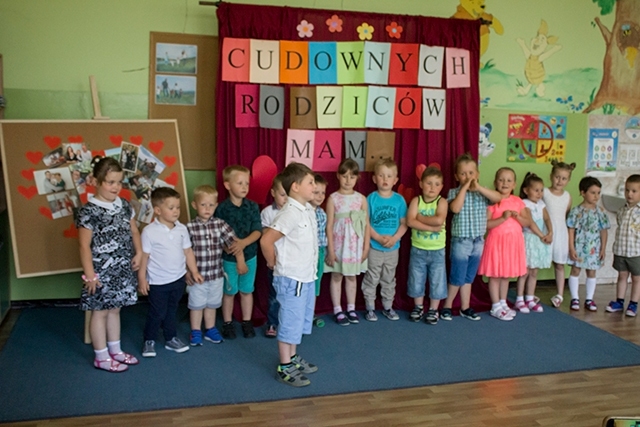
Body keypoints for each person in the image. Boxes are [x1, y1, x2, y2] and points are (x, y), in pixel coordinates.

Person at [76, 157, 142, 372]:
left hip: (121, 268)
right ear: (96, 182)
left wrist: (139, 252)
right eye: (110, 182)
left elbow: (134, 231)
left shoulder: (124, 205)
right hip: (99, 271)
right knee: (100, 312)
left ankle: (116, 350)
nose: (116, 187)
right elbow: (84, 246)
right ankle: (101, 356)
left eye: (119, 182)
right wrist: (90, 275)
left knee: (115, 310)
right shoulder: (88, 211)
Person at [260, 162, 318, 387]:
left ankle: (292, 358)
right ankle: (284, 367)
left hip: (306, 277)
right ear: (295, 186)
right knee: (289, 322)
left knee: (298, 322)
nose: (314, 186)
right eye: (310, 182)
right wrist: (273, 263)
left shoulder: (307, 209)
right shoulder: (290, 213)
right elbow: (266, 240)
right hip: (292, 278)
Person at [138, 187, 203, 357]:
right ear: (158, 210)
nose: (176, 211)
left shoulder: (181, 229)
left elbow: (188, 251)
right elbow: (144, 257)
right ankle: (149, 340)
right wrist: (142, 279)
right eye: (171, 207)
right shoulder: (149, 231)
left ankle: (170, 338)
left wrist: (194, 271)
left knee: (172, 310)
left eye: (178, 207)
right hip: (158, 282)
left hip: (178, 279)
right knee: (157, 312)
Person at [441, 154, 502, 321]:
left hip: (478, 241)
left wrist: (479, 188)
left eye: (471, 173)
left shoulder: (483, 192)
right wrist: (464, 188)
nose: (467, 177)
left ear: (477, 174)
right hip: (461, 241)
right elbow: (455, 208)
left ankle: (465, 307)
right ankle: (447, 306)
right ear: (456, 176)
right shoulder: (454, 192)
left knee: (469, 277)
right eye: (463, 174)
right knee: (457, 276)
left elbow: (498, 198)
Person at [214, 165, 262, 339]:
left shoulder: (252, 206)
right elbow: (217, 233)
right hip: (229, 258)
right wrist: (230, 248)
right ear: (227, 185)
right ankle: (227, 322)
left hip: (250, 256)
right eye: (240, 183)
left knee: (247, 291)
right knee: (229, 291)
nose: (244, 187)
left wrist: (243, 243)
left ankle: (246, 321)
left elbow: (257, 230)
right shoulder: (221, 209)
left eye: (246, 183)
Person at [186, 185, 237, 345]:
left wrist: (231, 247)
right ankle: (195, 330)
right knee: (196, 305)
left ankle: (210, 329)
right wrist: (187, 271)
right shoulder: (189, 228)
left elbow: (233, 241)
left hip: (216, 274)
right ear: (195, 205)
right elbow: (184, 252)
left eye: (211, 205)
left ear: (216, 205)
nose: (207, 209)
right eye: (203, 205)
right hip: (197, 275)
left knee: (212, 304)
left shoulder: (220, 225)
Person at [478, 167, 530, 321]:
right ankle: (495, 306)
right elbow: (486, 224)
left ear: (514, 184)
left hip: (512, 244)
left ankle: (503, 302)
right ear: (495, 183)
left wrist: (517, 217)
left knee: (505, 275)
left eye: (508, 180)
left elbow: (527, 222)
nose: (505, 183)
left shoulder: (518, 201)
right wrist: (502, 218)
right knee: (495, 275)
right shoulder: (492, 202)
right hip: (496, 243)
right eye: (501, 180)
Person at [325, 158, 370, 326]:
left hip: (354, 246)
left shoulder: (361, 199)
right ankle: (337, 309)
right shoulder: (333, 198)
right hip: (338, 244)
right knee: (337, 275)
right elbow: (329, 225)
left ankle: (351, 308)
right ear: (338, 176)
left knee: (352, 276)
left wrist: (366, 247)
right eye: (344, 176)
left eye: (352, 176)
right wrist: (331, 250)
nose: (348, 180)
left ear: (357, 178)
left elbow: (366, 224)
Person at [362, 158, 407, 322]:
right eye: (381, 175)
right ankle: (370, 308)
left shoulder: (399, 200)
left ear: (395, 180)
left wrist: (394, 238)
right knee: (372, 277)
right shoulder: (371, 199)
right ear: (375, 179)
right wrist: (378, 238)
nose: (385, 179)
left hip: (392, 249)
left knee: (389, 278)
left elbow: (404, 223)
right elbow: (366, 222)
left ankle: (388, 306)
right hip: (375, 247)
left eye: (389, 176)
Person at [406, 167, 447, 324]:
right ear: (421, 184)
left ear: (441, 187)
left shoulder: (441, 202)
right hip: (418, 249)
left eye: (436, 184)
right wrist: (431, 228)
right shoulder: (416, 201)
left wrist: (420, 218)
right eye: (429, 183)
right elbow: (410, 221)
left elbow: (439, 220)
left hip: (437, 250)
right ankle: (418, 307)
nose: (432, 187)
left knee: (437, 279)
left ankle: (433, 309)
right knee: (416, 278)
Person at [566, 176, 610, 311]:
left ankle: (589, 299)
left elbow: (603, 231)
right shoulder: (576, 211)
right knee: (575, 270)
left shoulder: (600, 212)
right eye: (593, 192)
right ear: (583, 192)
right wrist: (571, 248)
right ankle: (575, 298)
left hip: (594, 248)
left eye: (598, 193)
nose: (596, 196)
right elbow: (571, 230)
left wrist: (603, 248)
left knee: (592, 272)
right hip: (579, 246)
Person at [515, 173, 552, 313]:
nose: (539, 193)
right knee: (524, 271)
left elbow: (547, 219)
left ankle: (530, 298)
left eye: (541, 190)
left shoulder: (541, 204)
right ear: (526, 190)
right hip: (529, 239)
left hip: (539, 240)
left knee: (534, 271)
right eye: (536, 190)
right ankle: (519, 299)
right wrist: (542, 235)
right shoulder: (524, 203)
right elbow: (530, 222)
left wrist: (550, 233)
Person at [543, 160, 576, 308]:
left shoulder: (567, 196)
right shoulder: (544, 192)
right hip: (545, 231)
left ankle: (560, 294)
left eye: (564, 178)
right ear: (551, 176)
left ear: (568, 180)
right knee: (534, 264)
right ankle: (528, 294)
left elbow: (566, 215)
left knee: (559, 265)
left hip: (561, 233)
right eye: (557, 177)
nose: (559, 181)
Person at [607, 174, 640, 317]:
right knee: (622, 276)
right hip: (621, 250)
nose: (629, 194)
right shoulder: (621, 210)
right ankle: (619, 302)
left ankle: (633, 304)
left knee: (637, 278)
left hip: (636, 252)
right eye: (627, 190)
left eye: (634, 191)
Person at [260, 175, 287, 338]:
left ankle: (287, 323)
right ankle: (272, 322)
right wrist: (271, 259)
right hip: (275, 261)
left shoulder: (294, 212)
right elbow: (265, 235)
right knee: (274, 294)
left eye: (288, 194)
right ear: (273, 193)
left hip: (290, 262)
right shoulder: (268, 212)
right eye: (282, 194)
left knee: (289, 295)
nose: (286, 198)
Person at [311, 173, 328, 327]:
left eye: (323, 192)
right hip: (306, 254)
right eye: (316, 192)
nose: (320, 196)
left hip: (320, 252)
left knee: (316, 284)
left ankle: (311, 313)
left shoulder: (322, 213)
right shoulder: (304, 212)